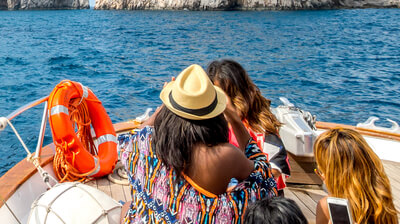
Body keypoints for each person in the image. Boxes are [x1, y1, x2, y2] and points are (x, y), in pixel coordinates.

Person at [121, 64, 276, 224]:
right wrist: (235, 119)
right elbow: (265, 180)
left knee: (127, 206)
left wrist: (163, 108)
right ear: (215, 114)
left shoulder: (145, 140)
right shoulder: (224, 155)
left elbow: (128, 141)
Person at [207, 60, 290, 193]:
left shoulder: (260, 127)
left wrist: (240, 187)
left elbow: (274, 169)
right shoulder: (214, 124)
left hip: (260, 198)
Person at [314, 128, 398, 224]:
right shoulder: (381, 197)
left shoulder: (325, 206)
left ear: (333, 176)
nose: (321, 176)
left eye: (320, 171)